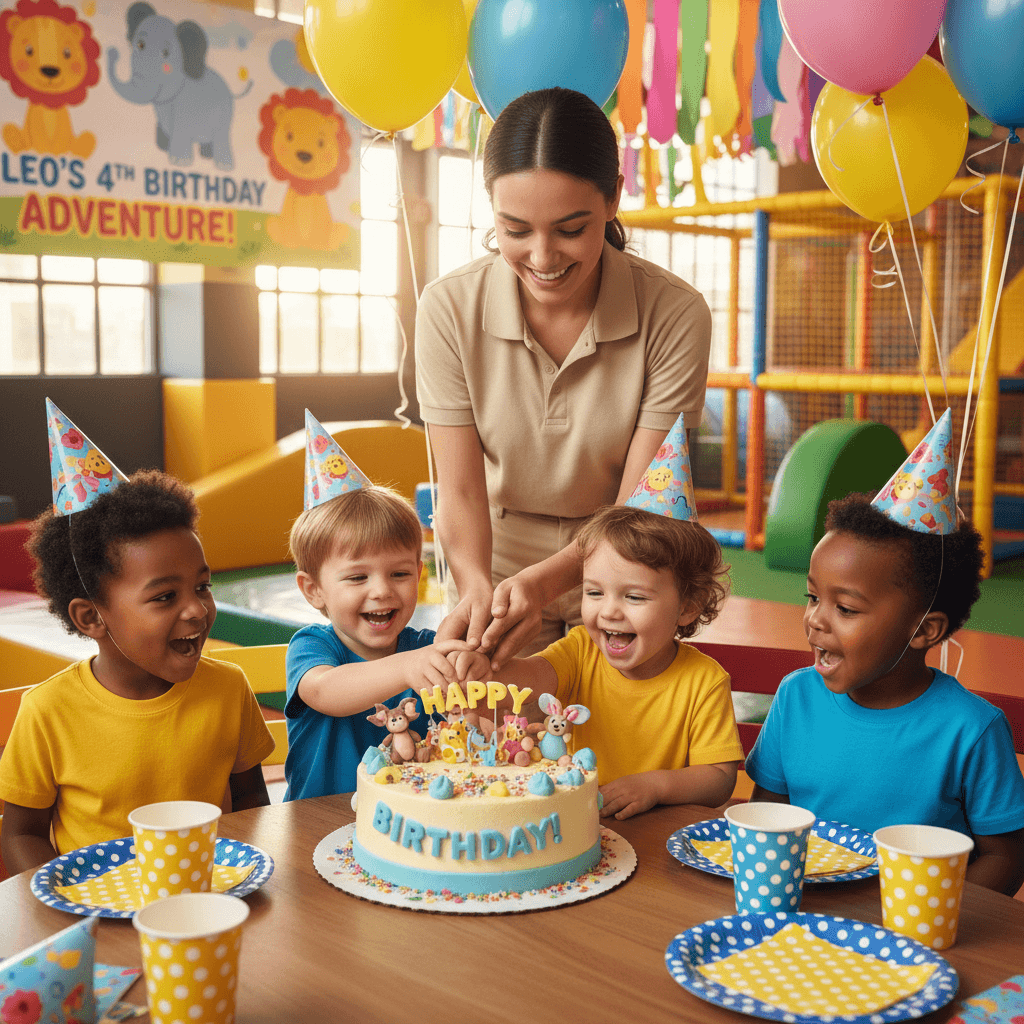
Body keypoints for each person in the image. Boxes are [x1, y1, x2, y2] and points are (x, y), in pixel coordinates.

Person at [415, 86, 712, 669]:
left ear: (613, 198)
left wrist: (547, 582)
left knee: (625, 716)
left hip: (627, 559)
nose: (543, 257)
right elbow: (461, 491)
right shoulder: (447, 308)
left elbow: (639, 507)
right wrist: (475, 589)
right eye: (516, 230)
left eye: (570, 229)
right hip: (495, 553)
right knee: (495, 714)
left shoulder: (676, 313)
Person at [746, 492, 1024, 895]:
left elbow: (1006, 858)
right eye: (813, 597)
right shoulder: (796, 696)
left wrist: (926, 910)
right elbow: (766, 819)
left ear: (924, 630)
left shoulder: (972, 729)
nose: (815, 619)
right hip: (805, 911)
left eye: (845, 608)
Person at [0, 468, 273, 875]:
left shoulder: (229, 688)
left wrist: (243, 873)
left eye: (202, 587)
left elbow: (251, 798)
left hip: (211, 894)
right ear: (91, 617)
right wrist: (70, 899)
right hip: (97, 903)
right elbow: (21, 834)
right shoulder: (48, 711)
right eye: (165, 596)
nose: (197, 609)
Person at [467, 503, 744, 820]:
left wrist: (656, 786)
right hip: (578, 826)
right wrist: (484, 669)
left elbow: (719, 779)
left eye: (634, 597)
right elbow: (527, 679)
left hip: (658, 832)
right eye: (595, 593)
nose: (609, 611)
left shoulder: (705, 681)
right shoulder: (581, 650)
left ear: (688, 607)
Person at [284, 483, 478, 800]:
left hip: (412, 820)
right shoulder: (312, 645)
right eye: (358, 577)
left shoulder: (427, 649)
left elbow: (475, 710)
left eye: (399, 574)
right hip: (319, 819)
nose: (382, 591)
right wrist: (407, 667)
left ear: (419, 574)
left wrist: (473, 670)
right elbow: (323, 691)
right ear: (313, 590)